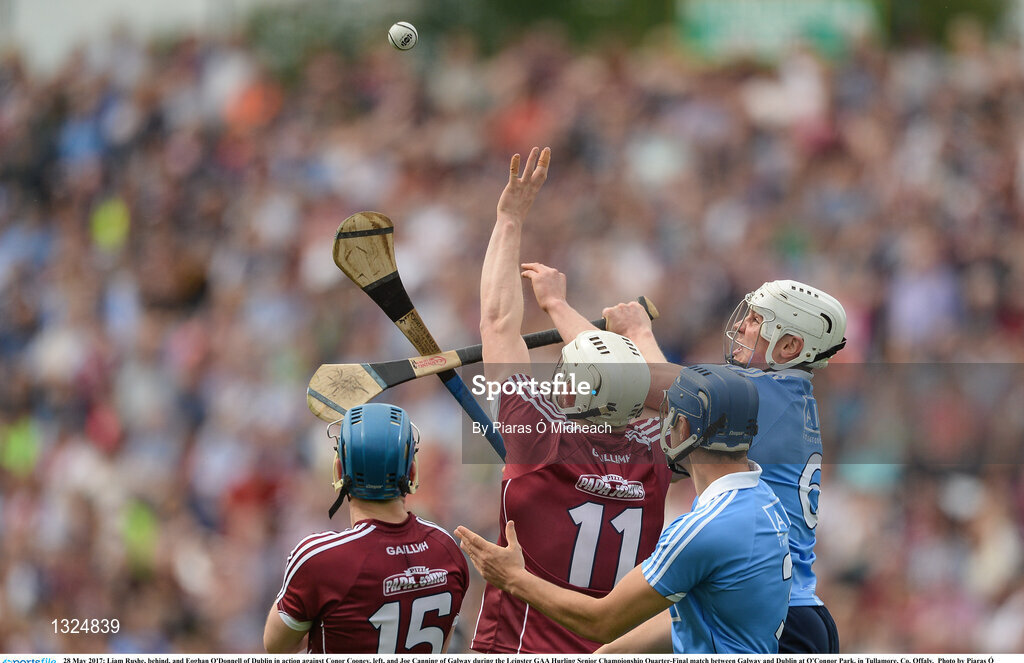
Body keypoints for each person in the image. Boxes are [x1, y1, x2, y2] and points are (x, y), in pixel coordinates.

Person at [473, 146, 676, 653]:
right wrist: (638, 334)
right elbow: (658, 386)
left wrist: (509, 218)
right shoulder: (660, 449)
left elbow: (499, 324)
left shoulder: (536, 431)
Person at [457, 364, 794, 654]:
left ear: (686, 431)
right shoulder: (765, 499)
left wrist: (512, 578)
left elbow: (601, 621)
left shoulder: (701, 530)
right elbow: (683, 619)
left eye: (671, 416)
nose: (662, 426)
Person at [602, 279, 846, 653]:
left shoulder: (763, 395)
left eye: (755, 319)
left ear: (789, 346)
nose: (740, 327)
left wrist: (619, 330)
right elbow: (679, 391)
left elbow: (645, 383)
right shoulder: (784, 395)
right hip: (768, 608)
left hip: (776, 617)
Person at [263, 403, 469, 654]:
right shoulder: (447, 549)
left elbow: (276, 647)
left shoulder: (318, 558)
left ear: (339, 470)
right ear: (412, 471)